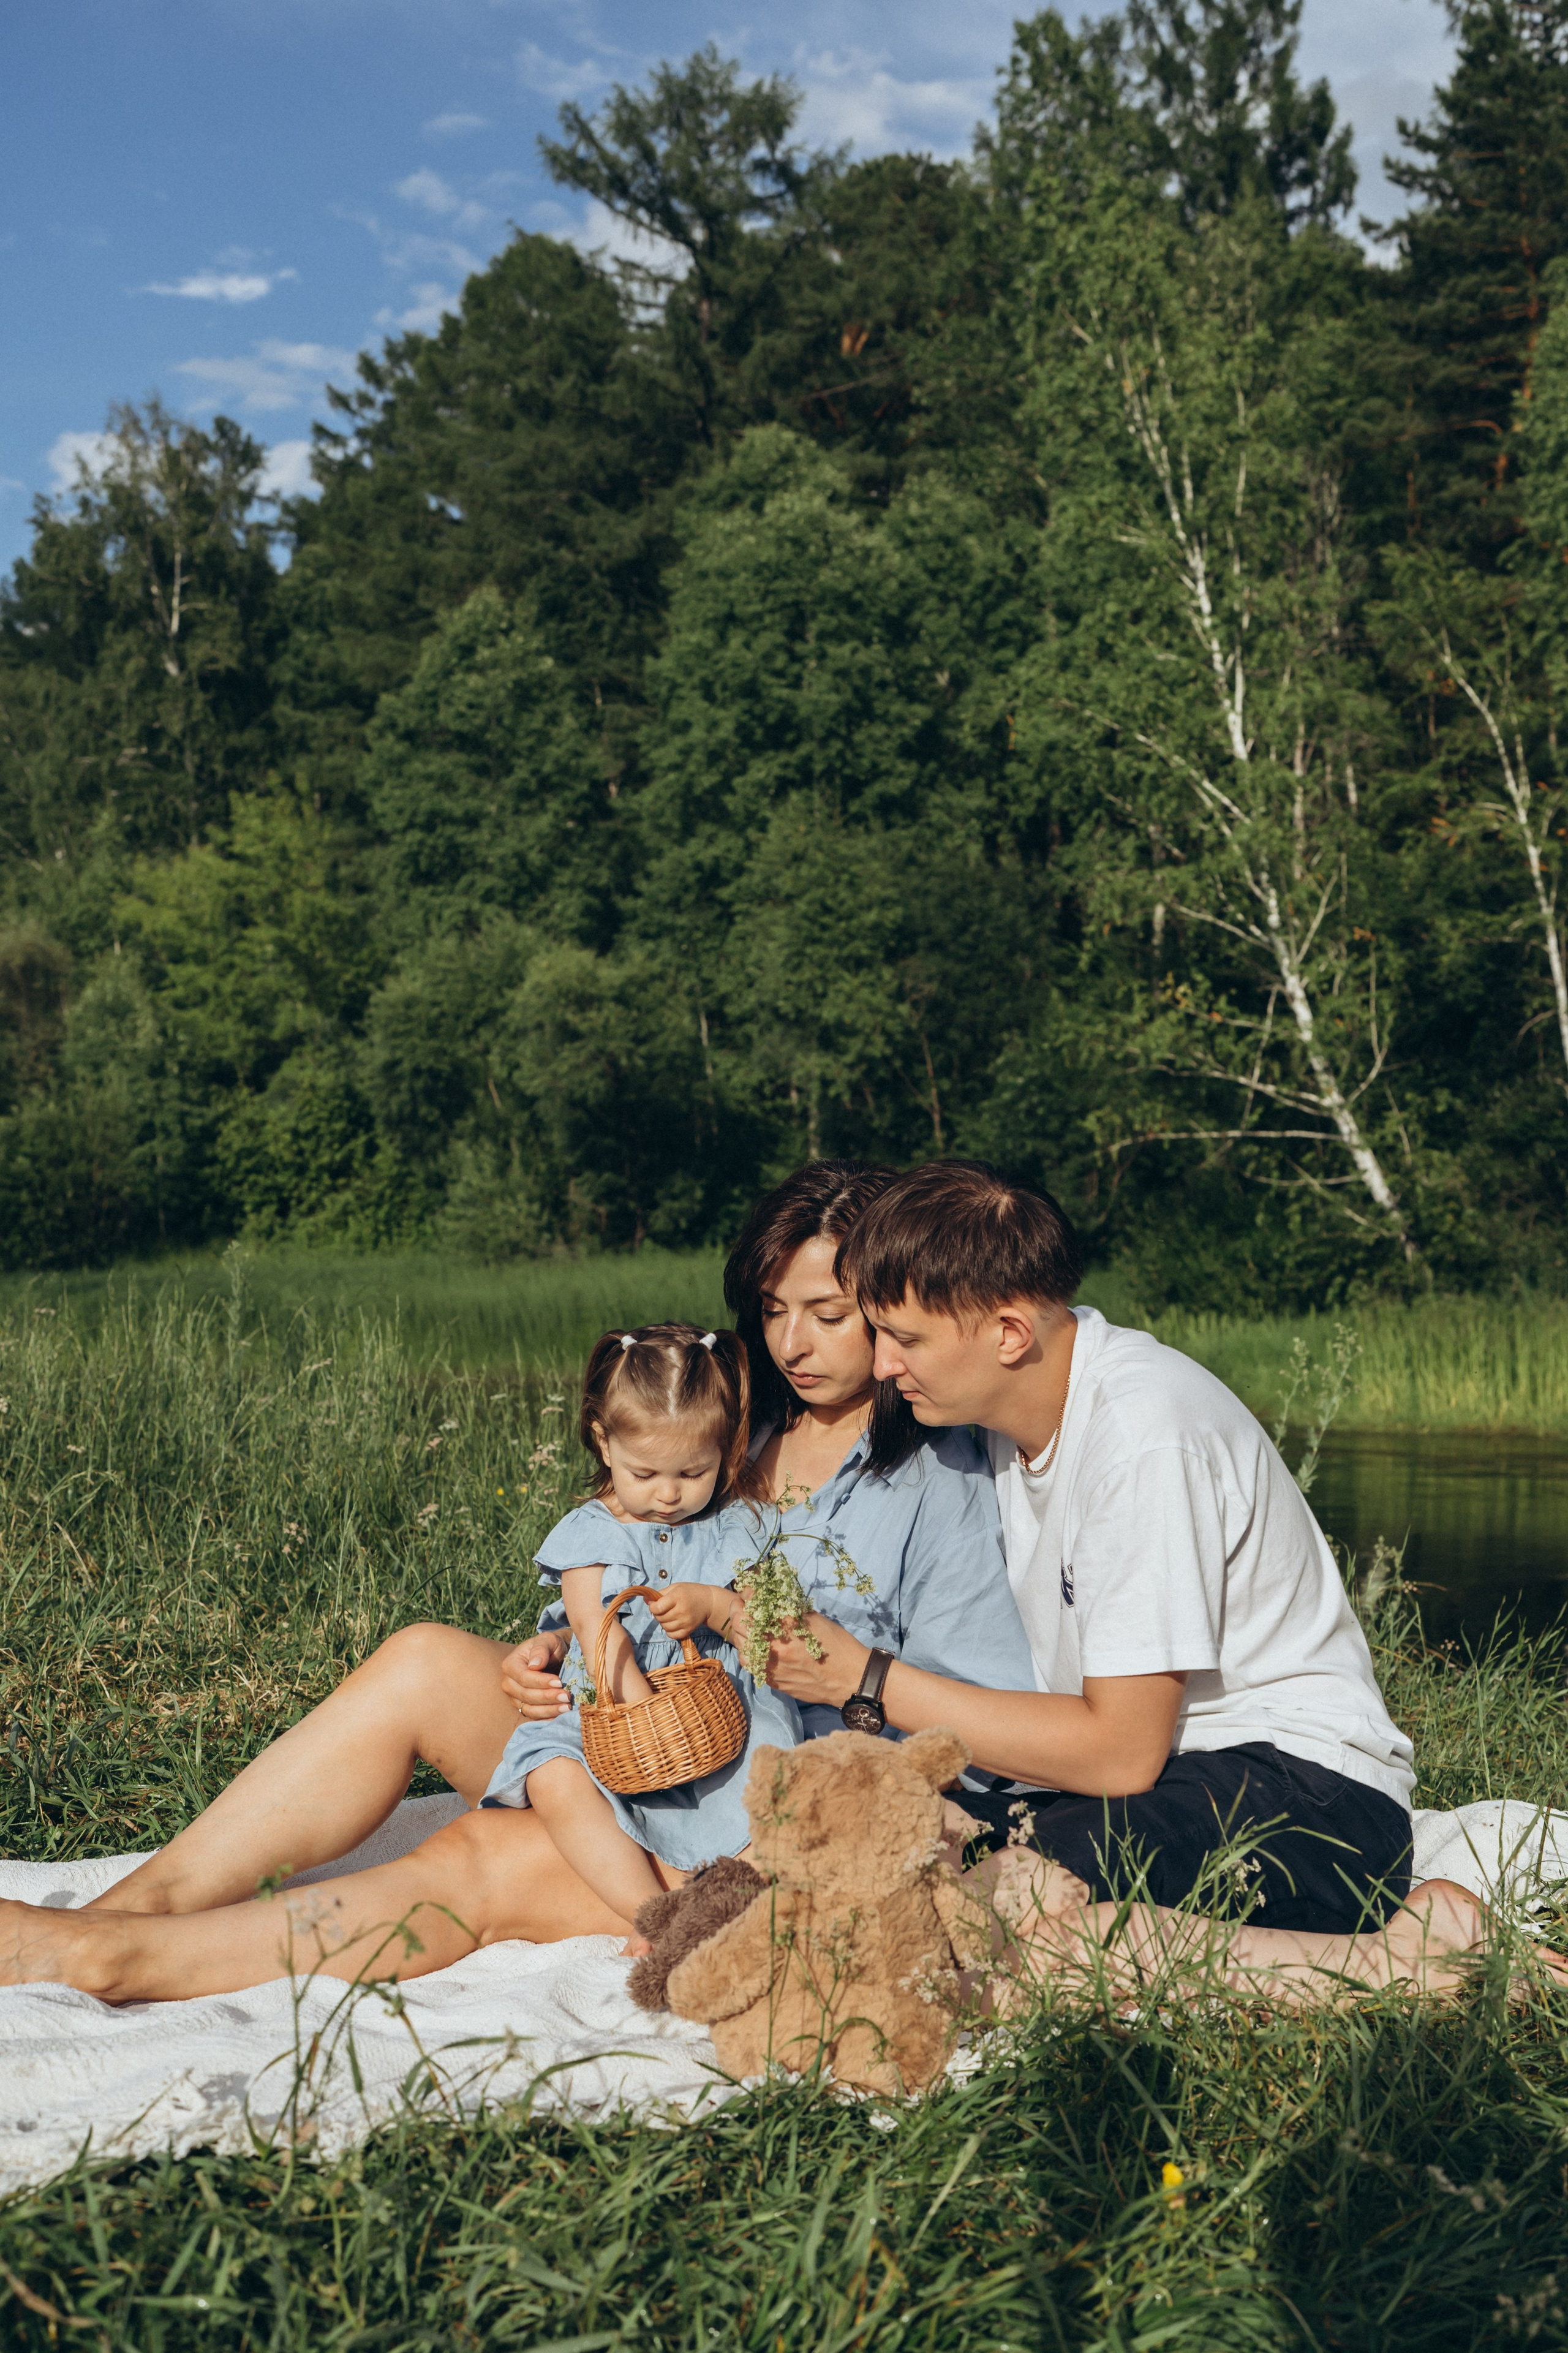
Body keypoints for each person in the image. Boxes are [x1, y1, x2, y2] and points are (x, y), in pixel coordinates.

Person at [0, 1162, 1036, 2001]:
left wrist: (842, 1690)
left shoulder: (935, 1480)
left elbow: (971, 1740)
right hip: (633, 1734)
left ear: (894, 1314)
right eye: (772, 1308)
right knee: (421, 1661)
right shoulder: (736, 1436)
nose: (793, 1341)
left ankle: (114, 1963)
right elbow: (621, 1572)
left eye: (831, 1312)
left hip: (761, 1821)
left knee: (481, 1856)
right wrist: (547, 1652)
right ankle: (130, 1906)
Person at [761, 1158, 1417, 1934]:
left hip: (1307, 1796)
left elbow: (1118, 1753)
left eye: (904, 1339)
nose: (881, 1366)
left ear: (1009, 1333)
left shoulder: (1144, 1438)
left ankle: (1408, 1965)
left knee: (987, 1907)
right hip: (1162, 1782)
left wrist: (862, 1676)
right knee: (845, 1854)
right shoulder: (1016, 1413)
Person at [484, 1323, 798, 1931]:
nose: (669, 1494)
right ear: (604, 1444)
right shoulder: (590, 1533)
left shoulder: (738, 1525)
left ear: (724, 1448)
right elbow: (598, 1632)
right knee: (550, 1773)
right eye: (646, 1473)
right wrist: (646, 1715)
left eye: (692, 1471)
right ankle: (650, 1916)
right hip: (611, 1713)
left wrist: (714, 1604)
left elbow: (763, 1629)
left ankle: (734, 1897)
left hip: (720, 1714)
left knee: (780, 1778)